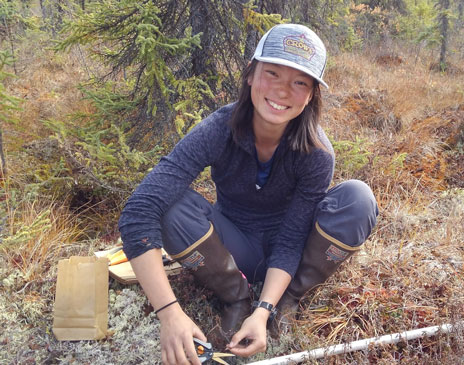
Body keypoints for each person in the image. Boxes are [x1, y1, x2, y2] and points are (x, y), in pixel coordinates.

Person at [118, 23, 378, 364]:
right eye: (272, 73)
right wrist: (169, 313)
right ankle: (235, 297)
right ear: (250, 75)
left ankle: (290, 299)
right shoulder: (217, 130)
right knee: (170, 206)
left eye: (299, 82)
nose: (283, 91)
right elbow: (139, 211)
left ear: (312, 94)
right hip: (233, 247)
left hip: (295, 251)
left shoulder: (317, 153)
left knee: (358, 199)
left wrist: (265, 308)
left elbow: (291, 238)